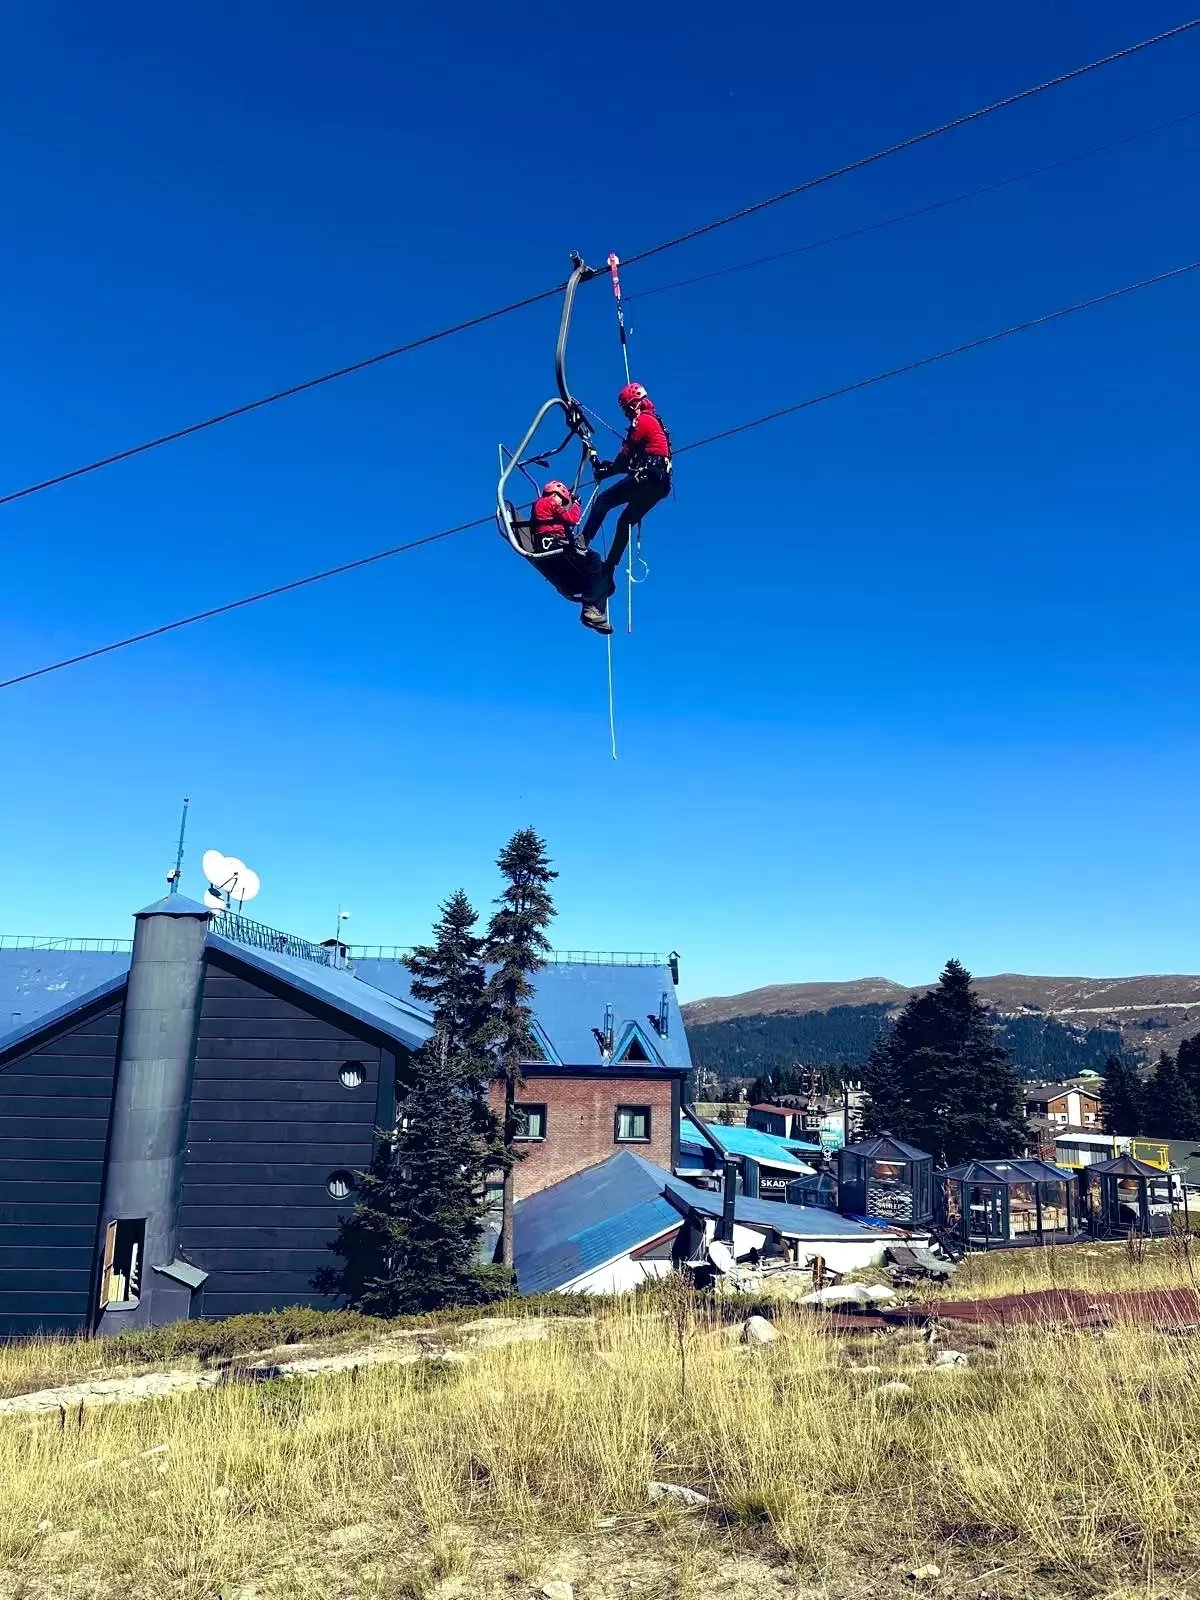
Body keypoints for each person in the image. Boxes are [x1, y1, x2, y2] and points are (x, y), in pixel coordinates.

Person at [576, 382, 672, 577]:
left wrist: (606, 471)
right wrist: (609, 469)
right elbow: (628, 463)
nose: (627, 414)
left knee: (603, 500)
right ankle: (609, 568)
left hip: (647, 477)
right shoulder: (655, 422)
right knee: (624, 522)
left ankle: (583, 541)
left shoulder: (643, 421)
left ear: (635, 404)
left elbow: (624, 458)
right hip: (659, 483)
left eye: (627, 408)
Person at [529, 480, 614, 635]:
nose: (562, 503)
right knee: (594, 558)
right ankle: (590, 606)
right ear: (555, 494)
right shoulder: (549, 502)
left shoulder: (543, 505)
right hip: (554, 545)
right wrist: (575, 504)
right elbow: (573, 519)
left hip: (556, 544)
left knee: (606, 576)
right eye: (562, 500)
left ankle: (593, 610)